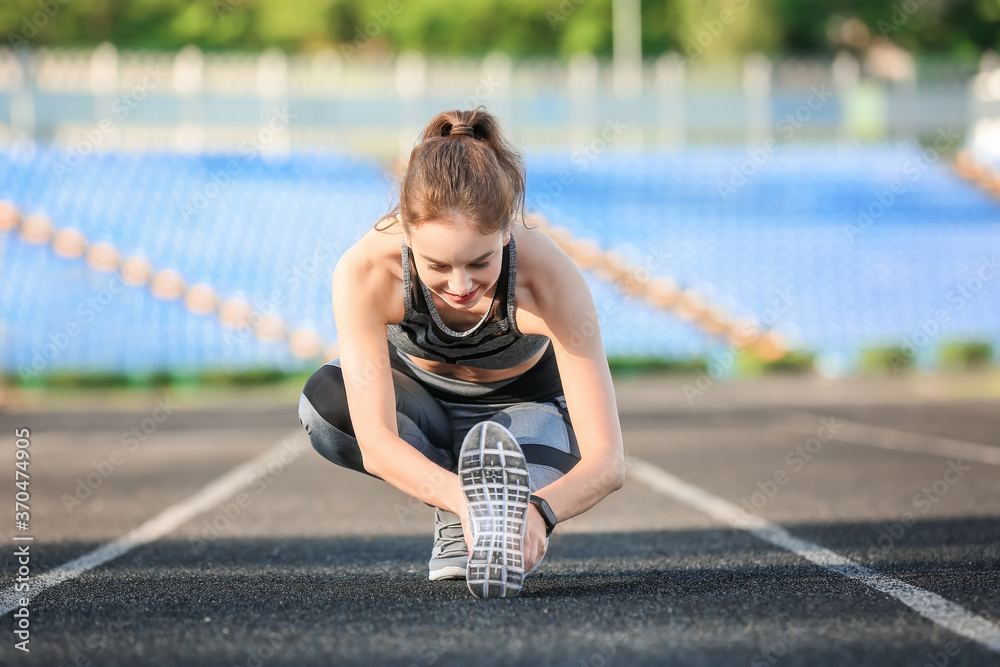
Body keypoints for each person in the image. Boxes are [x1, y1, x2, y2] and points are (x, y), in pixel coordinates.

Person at [297, 105, 624, 599]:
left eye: (481, 262)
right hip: (420, 407)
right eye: (436, 265)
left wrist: (539, 510)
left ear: (507, 232)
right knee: (325, 404)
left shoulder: (548, 279)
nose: (461, 285)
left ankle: (500, 508)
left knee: (513, 507)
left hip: (525, 411)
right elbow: (377, 439)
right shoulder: (365, 271)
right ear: (405, 234)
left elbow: (608, 460)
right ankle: (466, 514)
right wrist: (463, 500)